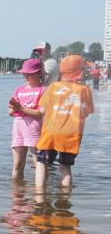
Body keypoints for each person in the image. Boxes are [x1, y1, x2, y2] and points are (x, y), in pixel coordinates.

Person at [34, 55, 95, 191]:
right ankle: (65, 198)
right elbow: (88, 112)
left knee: (42, 163)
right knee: (65, 167)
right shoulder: (84, 89)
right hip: (71, 134)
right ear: (79, 71)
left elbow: (42, 109)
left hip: (51, 132)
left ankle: (39, 194)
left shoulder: (53, 87)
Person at [7, 58, 46, 181]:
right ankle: (17, 193)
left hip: (34, 129)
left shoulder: (43, 90)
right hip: (19, 129)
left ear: (39, 73)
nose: (26, 76)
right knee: (18, 164)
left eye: (29, 73)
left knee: (38, 163)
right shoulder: (19, 90)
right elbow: (10, 112)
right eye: (24, 73)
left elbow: (40, 114)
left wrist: (21, 108)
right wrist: (14, 109)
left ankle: (40, 192)